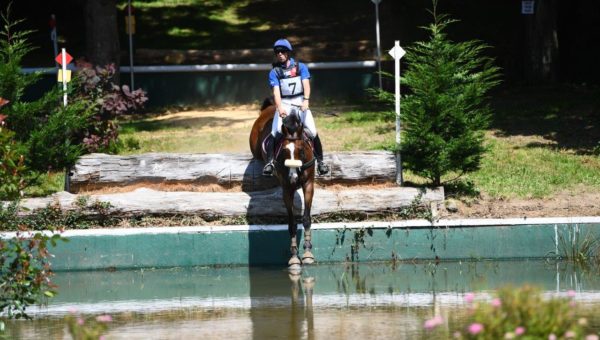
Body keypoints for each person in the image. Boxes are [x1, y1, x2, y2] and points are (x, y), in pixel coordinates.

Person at [262, 38, 329, 176]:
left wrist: (306, 100)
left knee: (312, 131)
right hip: (284, 103)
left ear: (288, 53)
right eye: (277, 52)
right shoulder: (274, 72)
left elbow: (306, 84)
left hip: (300, 101)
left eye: (282, 51)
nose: (279, 54)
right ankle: (269, 163)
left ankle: (321, 162)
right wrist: (279, 107)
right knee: (275, 133)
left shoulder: (301, 67)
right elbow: (276, 91)